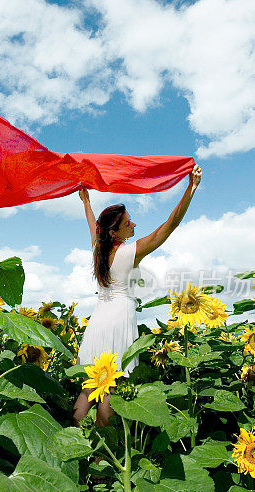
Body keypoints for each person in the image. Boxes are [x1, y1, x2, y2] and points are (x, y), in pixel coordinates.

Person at [72, 165, 203, 426]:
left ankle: (75, 442)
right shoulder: (129, 252)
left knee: (90, 386)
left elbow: (92, 224)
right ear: (113, 232)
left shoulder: (99, 248)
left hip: (98, 320)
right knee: (111, 387)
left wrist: (86, 201)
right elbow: (170, 225)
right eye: (127, 222)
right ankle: (101, 460)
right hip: (119, 318)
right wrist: (191, 188)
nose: (133, 224)